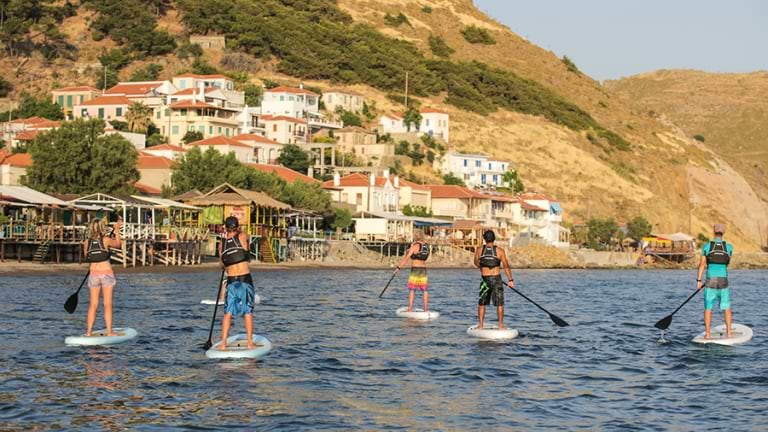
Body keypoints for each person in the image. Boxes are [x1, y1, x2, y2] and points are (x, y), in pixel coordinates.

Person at [219, 216, 255, 350]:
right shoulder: (243, 236)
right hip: (245, 280)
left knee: (228, 313)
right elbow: (247, 240)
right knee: (247, 311)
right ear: (238, 227)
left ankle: (223, 344)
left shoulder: (222, 244)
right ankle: (250, 343)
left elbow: (222, 264)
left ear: (226, 228)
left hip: (231, 281)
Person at [83, 218, 122, 336]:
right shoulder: (106, 240)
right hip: (106, 273)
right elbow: (118, 245)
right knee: (107, 304)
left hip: (93, 274)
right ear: (101, 228)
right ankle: (109, 332)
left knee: (93, 304)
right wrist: (116, 230)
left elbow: (88, 256)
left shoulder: (86, 242)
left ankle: (88, 332)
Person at [696, 223, 734, 338]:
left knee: (708, 308)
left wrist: (698, 280)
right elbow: (727, 262)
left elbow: (702, 264)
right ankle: (729, 333)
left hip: (710, 280)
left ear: (713, 232)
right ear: (723, 233)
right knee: (726, 308)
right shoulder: (729, 247)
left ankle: (707, 334)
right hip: (723, 280)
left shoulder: (707, 246)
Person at [473, 230, 514, 329]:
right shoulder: (500, 251)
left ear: (484, 239)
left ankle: (481, 325)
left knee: (482, 303)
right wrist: (510, 280)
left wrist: (482, 269)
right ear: (494, 239)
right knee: (499, 303)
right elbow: (506, 266)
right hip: (496, 280)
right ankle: (500, 325)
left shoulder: (479, 250)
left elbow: (475, 262)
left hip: (484, 280)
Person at [395, 231, 430, 312]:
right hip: (423, 270)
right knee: (425, 290)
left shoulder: (415, 246)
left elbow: (406, 258)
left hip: (415, 269)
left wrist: (398, 268)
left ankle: (410, 308)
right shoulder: (426, 246)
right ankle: (425, 309)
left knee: (412, 289)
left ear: (415, 237)